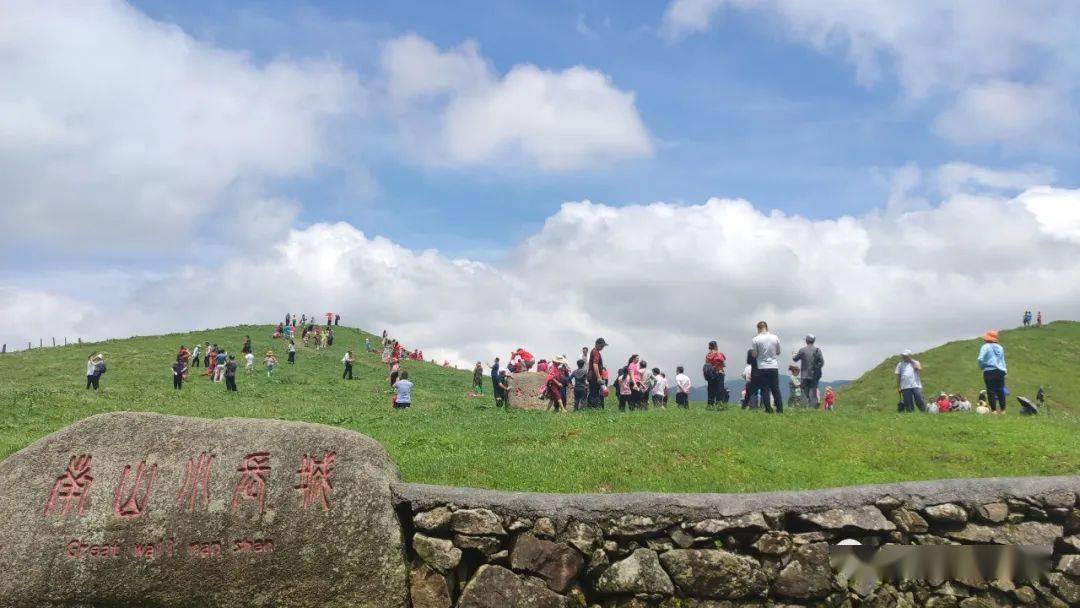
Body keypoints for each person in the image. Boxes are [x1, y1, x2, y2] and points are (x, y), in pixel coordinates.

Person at [751, 321, 783, 413]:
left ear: (758, 328)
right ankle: (780, 409)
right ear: (767, 327)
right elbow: (778, 352)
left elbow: (755, 354)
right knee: (775, 388)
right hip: (773, 366)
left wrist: (757, 354)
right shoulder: (775, 337)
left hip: (762, 367)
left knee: (765, 389)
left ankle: (768, 409)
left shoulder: (755, 339)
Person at [977, 330, 1008, 414]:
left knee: (990, 391)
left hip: (989, 370)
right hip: (1000, 371)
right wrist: (1005, 370)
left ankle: (994, 411)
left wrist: (982, 366)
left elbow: (980, 359)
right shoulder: (1000, 347)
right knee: (1000, 390)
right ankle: (1003, 411)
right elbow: (1002, 361)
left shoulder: (985, 346)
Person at [793, 334, 824, 408]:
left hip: (804, 375)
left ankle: (803, 407)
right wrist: (817, 368)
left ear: (806, 341)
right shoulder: (817, 350)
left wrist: (793, 354)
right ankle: (813, 408)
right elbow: (822, 362)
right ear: (814, 341)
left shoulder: (802, 350)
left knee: (804, 391)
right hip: (814, 375)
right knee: (813, 391)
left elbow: (795, 359)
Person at [704, 341, 727, 409]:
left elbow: (707, 364)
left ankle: (710, 405)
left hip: (710, 374)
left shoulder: (708, 356)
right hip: (719, 373)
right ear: (716, 346)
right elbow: (722, 364)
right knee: (719, 390)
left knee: (711, 390)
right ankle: (719, 404)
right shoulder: (719, 354)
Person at [588, 338, 607, 409]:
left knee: (592, 393)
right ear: (597, 344)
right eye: (602, 346)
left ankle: (590, 407)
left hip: (591, 376)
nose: (602, 347)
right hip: (594, 377)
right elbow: (595, 364)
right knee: (595, 393)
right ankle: (596, 409)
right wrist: (599, 377)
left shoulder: (594, 351)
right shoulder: (596, 352)